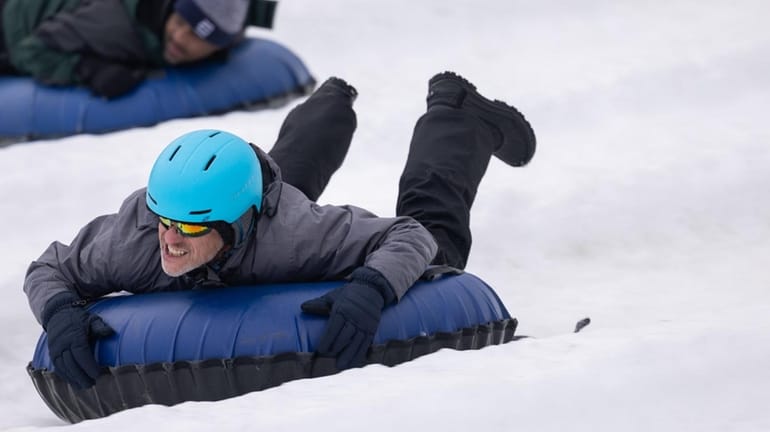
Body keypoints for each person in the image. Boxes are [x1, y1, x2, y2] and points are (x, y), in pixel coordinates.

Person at [23, 71, 537, 389]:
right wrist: (61, 310)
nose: (170, 238)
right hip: (252, 212)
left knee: (439, 243)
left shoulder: (296, 234)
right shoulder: (134, 238)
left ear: (236, 225)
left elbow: (410, 237)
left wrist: (372, 287)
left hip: (279, 227)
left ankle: (458, 116)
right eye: (164, 220)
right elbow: (48, 268)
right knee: (268, 188)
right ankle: (329, 105)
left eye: (188, 226)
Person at [0, 0, 276, 98]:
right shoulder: (115, 26)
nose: (179, 37)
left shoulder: (231, 27)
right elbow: (30, 51)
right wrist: (88, 69)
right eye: (179, 22)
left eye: (195, 35)